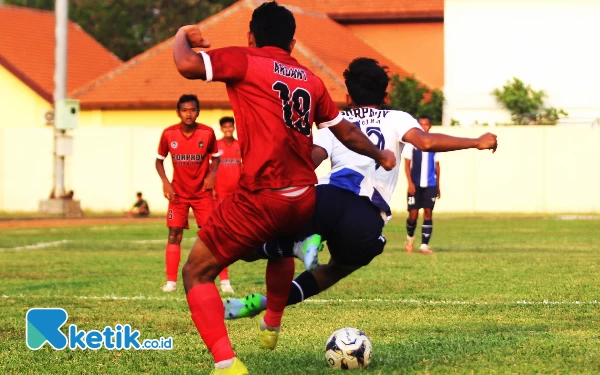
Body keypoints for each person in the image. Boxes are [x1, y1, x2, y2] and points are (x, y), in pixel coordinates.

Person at [172, 3, 396, 374]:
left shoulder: (245, 59)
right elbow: (347, 133)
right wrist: (380, 154)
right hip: (304, 197)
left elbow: (187, 64)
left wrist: (182, 34)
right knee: (278, 250)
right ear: (293, 43)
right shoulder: (310, 79)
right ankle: (272, 322)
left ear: (250, 37)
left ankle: (227, 365)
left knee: (196, 273)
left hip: (261, 196)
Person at [223, 57, 498, 324]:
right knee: (336, 269)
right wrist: (476, 141)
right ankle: (265, 301)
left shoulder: (335, 122)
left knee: (251, 248)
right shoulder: (397, 118)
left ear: (348, 97)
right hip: (365, 217)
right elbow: (425, 142)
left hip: (325, 198)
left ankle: (290, 248)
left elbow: (311, 161)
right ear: (385, 97)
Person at [155, 94, 220, 293]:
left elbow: (216, 158)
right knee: (174, 234)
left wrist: (212, 175)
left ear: (198, 112)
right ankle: (171, 282)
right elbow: (159, 161)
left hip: (202, 193)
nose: (188, 114)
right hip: (178, 195)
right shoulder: (168, 134)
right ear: (178, 112)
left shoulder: (207, 133)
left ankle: (212, 278)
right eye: (184, 110)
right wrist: (166, 183)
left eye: (192, 110)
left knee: (210, 234)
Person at [213, 116, 242, 293]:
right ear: (222, 129)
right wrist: (212, 189)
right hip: (219, 196)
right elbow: (211, 169)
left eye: (230, 126)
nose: (228, 129)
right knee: (222, 236)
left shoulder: (240, 146)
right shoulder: (216, 146)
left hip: (236, 197)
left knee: (235, 237)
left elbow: (244, 168)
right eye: (225, 127)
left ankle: (224, 279)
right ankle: (224, 280)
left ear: (233, 127)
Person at [403, 116, 440, 254]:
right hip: (415, 185)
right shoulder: (411, 144)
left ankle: (424, 245)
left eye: (426, 124)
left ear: (430, 126)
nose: (424, 127)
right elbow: (406, 165)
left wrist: (438, 185)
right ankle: (410, 237)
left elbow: (437, 165)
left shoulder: (435, 144)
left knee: (428, 213)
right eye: (421, 124)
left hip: (430, 184)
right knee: (413, 215)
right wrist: (410, 182)